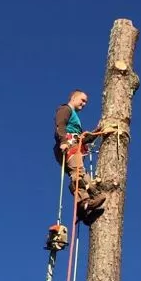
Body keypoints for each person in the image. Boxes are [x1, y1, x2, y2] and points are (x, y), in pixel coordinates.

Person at [53, 90, 106, 222]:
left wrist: (97, 132)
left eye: (85, 102)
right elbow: (60, 126)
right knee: (78, 173)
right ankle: (85, 202)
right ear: (73, 97)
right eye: (82, 100)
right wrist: (64, 142)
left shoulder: (75, 118)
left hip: (74, 145)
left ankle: (84, 211)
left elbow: (83, 138)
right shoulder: (65, 109)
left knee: (82, 175)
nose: (84, 104)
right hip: (69, 146)